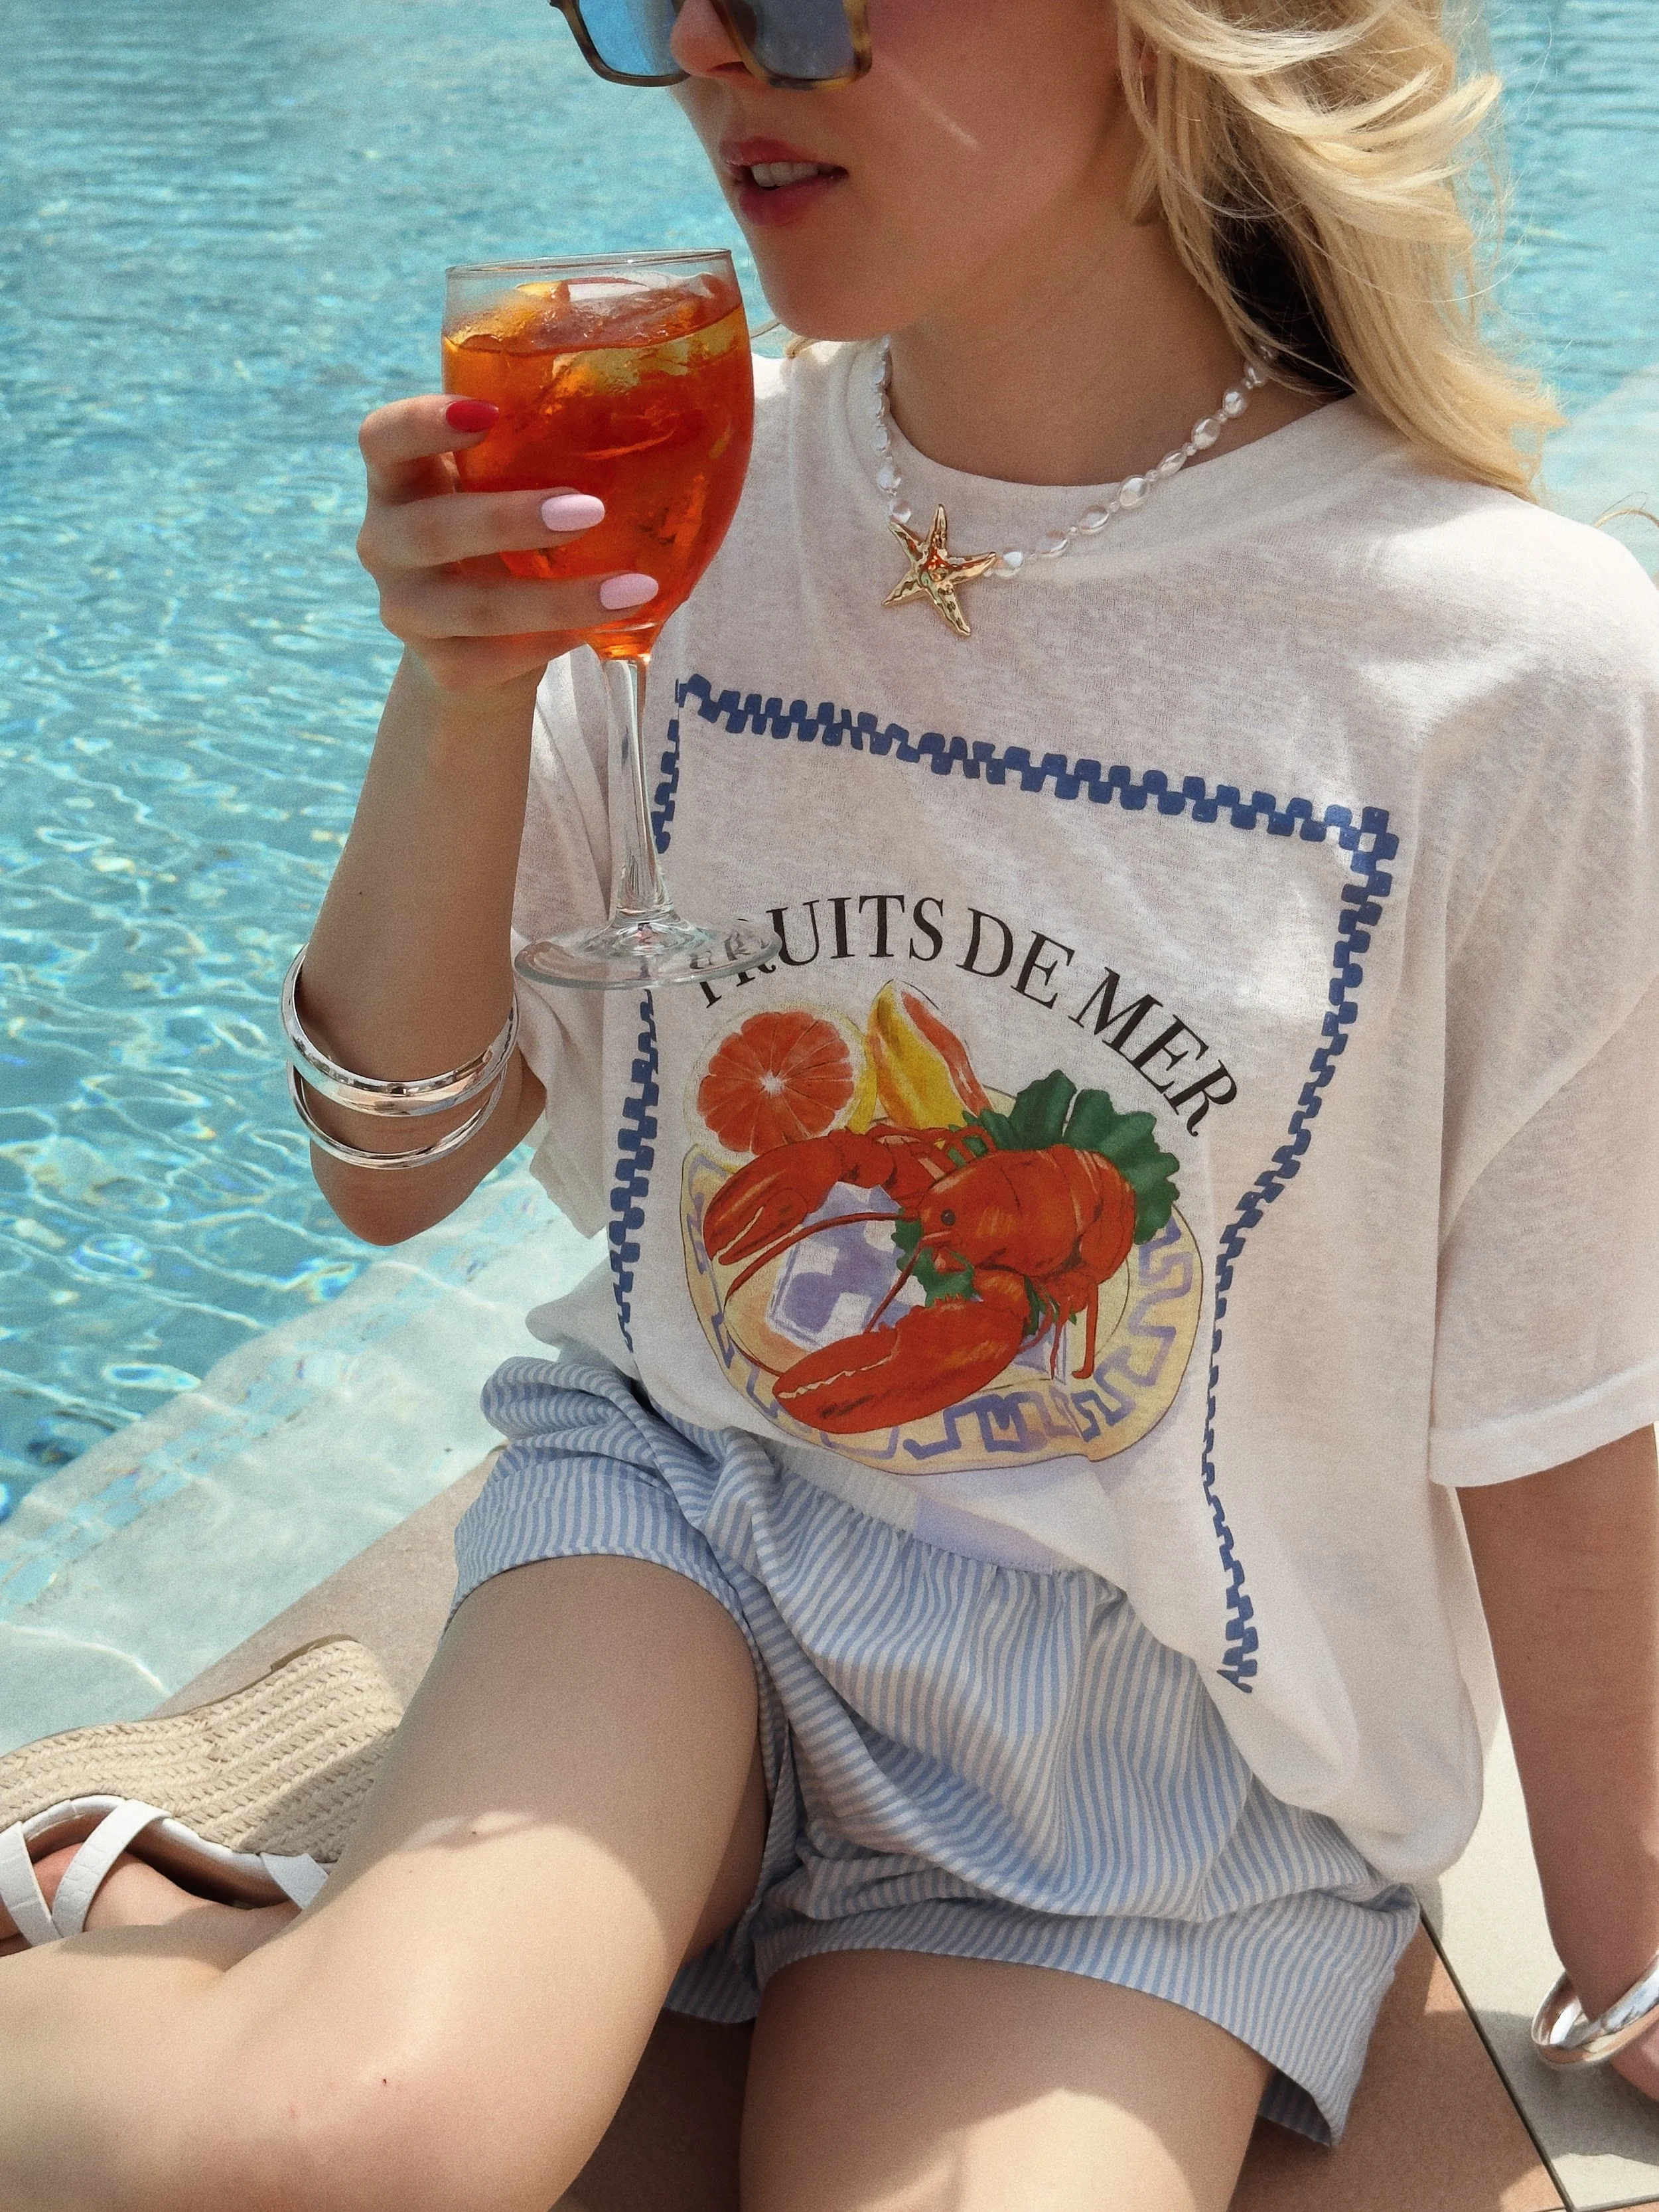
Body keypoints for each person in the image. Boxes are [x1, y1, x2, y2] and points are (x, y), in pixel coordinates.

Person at [3, 2, 1658, 2207]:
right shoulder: (674, 492)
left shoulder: (1509, 665)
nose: (707, 44)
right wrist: (463, 689)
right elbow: (387, 1172)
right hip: (696, 1531)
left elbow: (1551, 1393)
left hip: (1152, 1755)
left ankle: (205, 1906)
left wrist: (1633, 1950)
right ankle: (362, 1987)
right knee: (357, 2145)